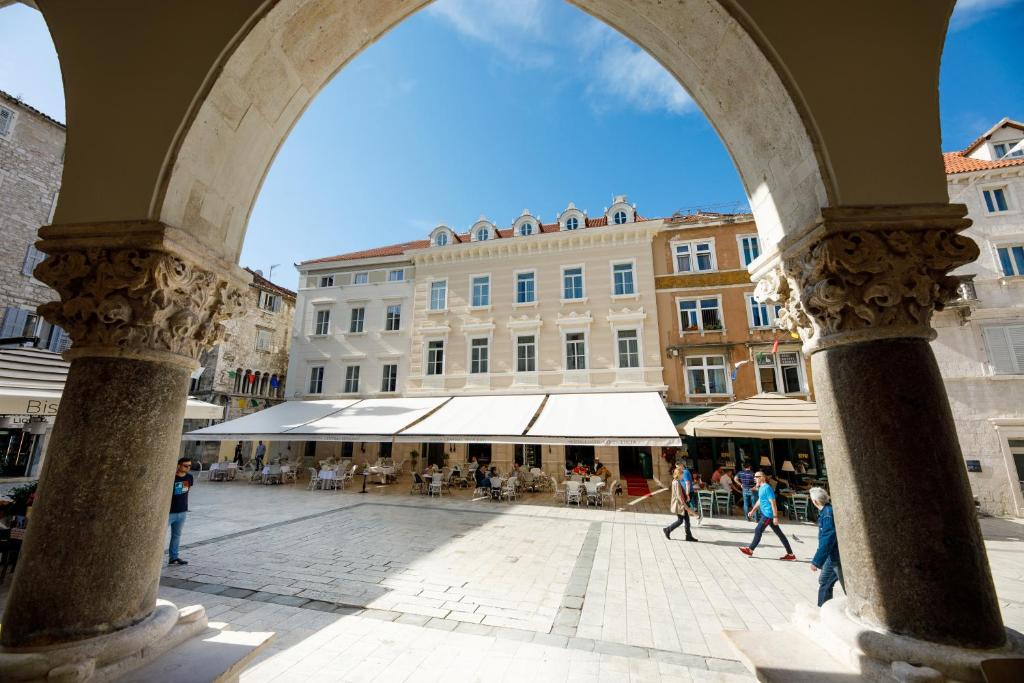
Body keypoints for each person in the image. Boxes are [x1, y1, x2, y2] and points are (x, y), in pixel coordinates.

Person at [740, 471, 795, 560]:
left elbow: (773, 503)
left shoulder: (767, 488)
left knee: (758, 530)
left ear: (762, 477)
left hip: (769, 515)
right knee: (780, 534)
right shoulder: (761, 488)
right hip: (766, 514)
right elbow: (760, 501)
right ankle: (791, 554)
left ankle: (750, 549)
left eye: (756, 476)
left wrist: (775, 517)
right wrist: (753, 511)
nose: (754, 478)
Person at [809, 487, 843, 606]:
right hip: (832, 554)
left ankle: (824, 611)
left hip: (836, 555)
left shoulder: (827, 514)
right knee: (824, 581)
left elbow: (827, 540)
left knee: (846, 587)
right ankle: (824, 610)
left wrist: (816, 561)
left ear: (815, 502)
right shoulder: (826, 511)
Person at [168, 457, 193, 566]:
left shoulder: (189, 477)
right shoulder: (171, 477)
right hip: (169, 512)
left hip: (182, 511)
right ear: (179, 465)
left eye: (189, 466)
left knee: (177, 535)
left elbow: (187, 492)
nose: (188, 468)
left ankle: (174, 557)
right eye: (185, 465)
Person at [662, 465, 698, 542]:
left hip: (681, 504)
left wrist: (686, 495)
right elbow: (679, 496)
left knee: (686, 520)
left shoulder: (676, 481)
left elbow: (681, 493)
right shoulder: (676, 483)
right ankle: (668, 530)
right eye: (682, 474)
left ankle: (688, 536)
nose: (683, 476)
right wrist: (686, 507)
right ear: (679, 474)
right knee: (680, 520)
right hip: (680, 505)